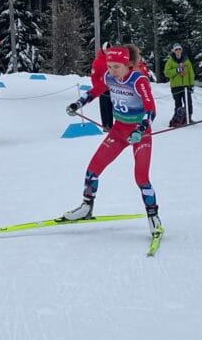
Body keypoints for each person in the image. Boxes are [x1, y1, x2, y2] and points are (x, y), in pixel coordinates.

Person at [64, 45, 162, 236]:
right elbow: (95, 91)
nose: (111, 71)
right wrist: (77, 104)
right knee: (93, 169)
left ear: (127, 65)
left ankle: (153, 216)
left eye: (116, 66)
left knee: (141, 177)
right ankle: (86, 207)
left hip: (139, 134)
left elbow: (151, 109)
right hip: (118, 131)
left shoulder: (138, 80)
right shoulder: (109, 77)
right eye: (109, 66)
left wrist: (141, 129)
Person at [163, 43, 195, 124]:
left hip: (186, 85)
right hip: (175, 86)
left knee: (188, 102)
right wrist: (176, 70)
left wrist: (191, 84)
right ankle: (178, 119)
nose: (178, 51)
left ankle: (188, 118)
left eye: (179, 49)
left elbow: (191, 73)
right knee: (178, 103)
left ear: (181, 50)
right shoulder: (170, 61)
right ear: (174, 51)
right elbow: (166, 73)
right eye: (176, 49)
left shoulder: (186, 60)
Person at [91, 43, 113, 132]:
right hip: (102, 88)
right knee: (104, 107)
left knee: (113, 107)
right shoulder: (98, 61)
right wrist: (97, 88)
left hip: (113, 88)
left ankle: (111, 125)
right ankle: (105, 125)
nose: (108, 52)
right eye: (106, 50)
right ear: (103, 50)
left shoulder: (113, 60)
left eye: (110, 50)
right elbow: (94, 76)